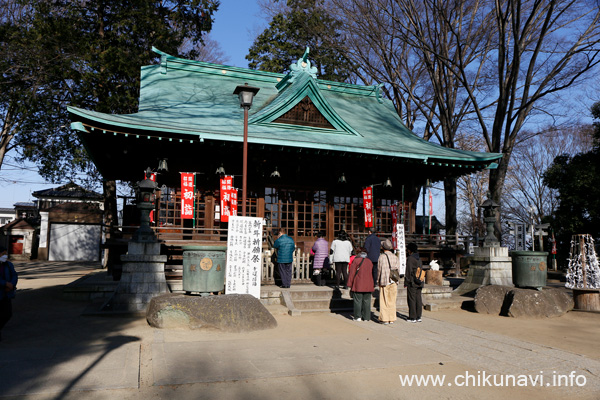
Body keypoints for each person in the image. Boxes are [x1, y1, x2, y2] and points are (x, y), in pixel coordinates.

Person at [346, 248, 374, 321]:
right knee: (367, 301)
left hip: (358, 283)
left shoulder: (356, 261)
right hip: (368, 284)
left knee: (358, 301)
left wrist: (349, 284)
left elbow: (352, 273)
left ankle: (358, 316)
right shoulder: (369, 261)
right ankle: (367, 317)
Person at [377, 239, 399, 324]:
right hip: (394, 280)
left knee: (384, 300)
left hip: (384, 279)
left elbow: (379, 270)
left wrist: (378, 280)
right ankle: (392, 318)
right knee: (392, 300)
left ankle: (385, 318)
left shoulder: (381, 257)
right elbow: (398, 269)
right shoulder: (395, 256)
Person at [0, 246, 18, 341]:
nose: (5, 256)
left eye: (6, 254)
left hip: (6, 293)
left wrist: (11, 284)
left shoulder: (8, 265)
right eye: (3, 254)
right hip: (2, 290)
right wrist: (5, 284)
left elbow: (14, 275)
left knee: (7, 314)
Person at [404, 242, 423, 323]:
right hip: (420, 281)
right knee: (418, 298)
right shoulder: (419, 258)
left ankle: (412, 317)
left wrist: (406, 282)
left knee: (411, 299)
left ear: (409, 250)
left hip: (412, 281)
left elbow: (408, 271)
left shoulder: (410, 258)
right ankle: (418, 316)